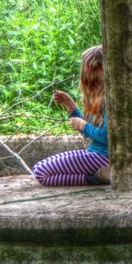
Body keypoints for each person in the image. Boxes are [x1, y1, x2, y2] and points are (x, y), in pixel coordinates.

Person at [33, 45, 111, 186]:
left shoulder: (110, 101)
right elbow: (90, 131)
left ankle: (96, 179)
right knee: (39, 166)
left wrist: (83, 125)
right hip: (94, 154)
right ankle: (99, 175)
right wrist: (70, 106)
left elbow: (107, 137)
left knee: (41, 172)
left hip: (103, 157)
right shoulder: (97, 99)